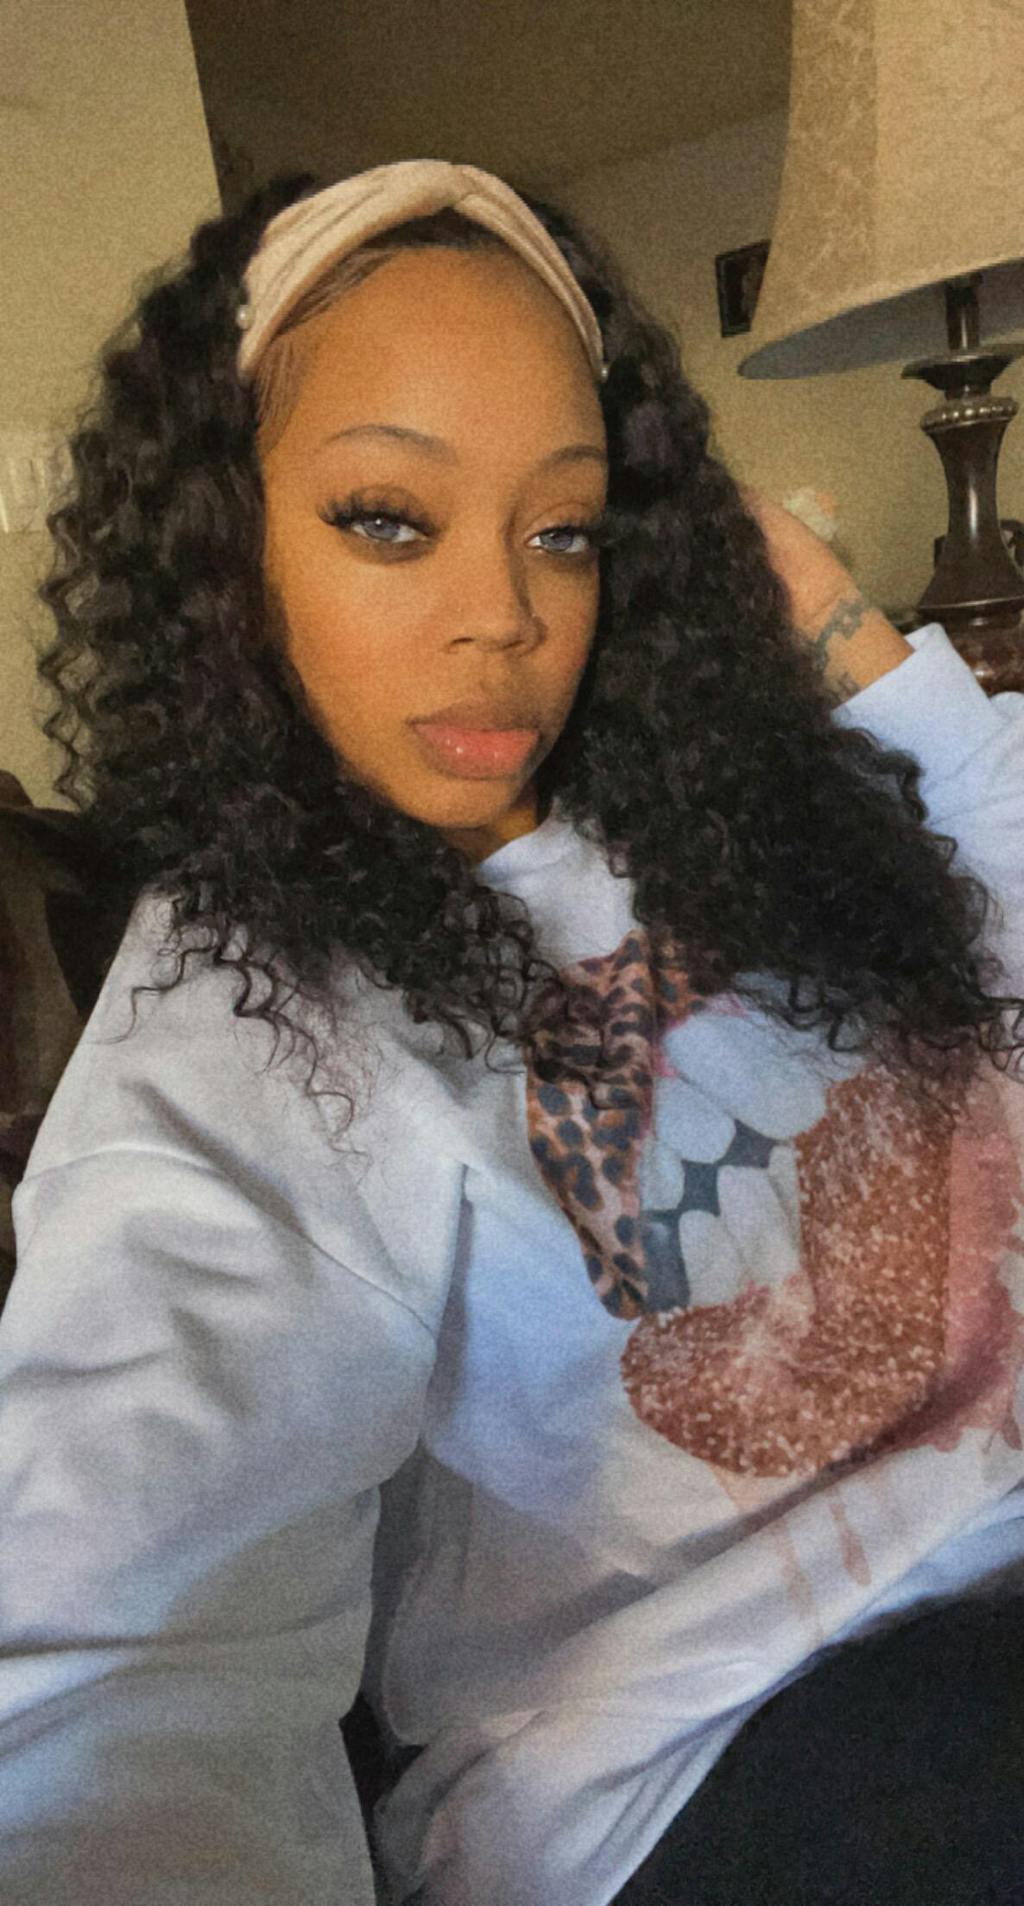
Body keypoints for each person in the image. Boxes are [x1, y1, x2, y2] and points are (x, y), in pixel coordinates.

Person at [0, 157, 1022, 1906]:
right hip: (717, 1758)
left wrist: (851, 637)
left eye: (566, 529)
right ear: (222, 544)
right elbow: (135, 1649)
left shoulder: (727, 806)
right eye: (389, 519)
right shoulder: (245, 1008)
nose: (507, 614)